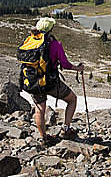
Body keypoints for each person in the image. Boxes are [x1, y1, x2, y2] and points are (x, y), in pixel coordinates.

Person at [31, 17, 84, 145]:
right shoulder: (55, 44)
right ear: (51, 29)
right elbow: (65, 64)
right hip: (50, 82)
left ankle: (44, 138)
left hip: (33, 81)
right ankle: (65, 129)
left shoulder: (30, 42)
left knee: (39, 110)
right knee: (72, 99)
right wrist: (78, 68)